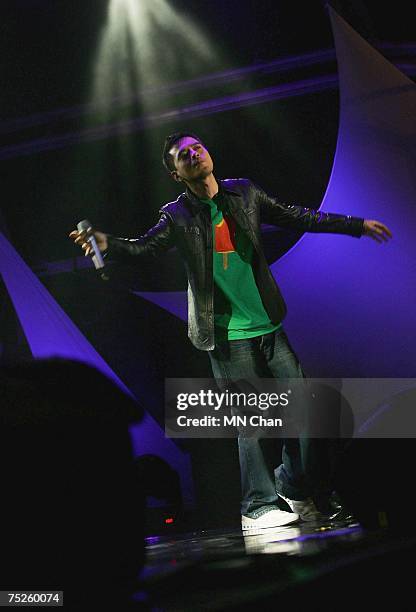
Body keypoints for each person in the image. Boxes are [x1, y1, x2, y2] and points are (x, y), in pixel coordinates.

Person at [70, 132, 392, 531]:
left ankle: (294, 486)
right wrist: (110, 244)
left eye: (197, 147)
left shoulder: (245, 194)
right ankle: (257, 507)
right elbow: (144, 247)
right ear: (176, 173)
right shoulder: (178, 215)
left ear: (209, 153)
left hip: (269, 326)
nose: (194, 154)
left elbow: (298, 215)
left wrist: (355, 225)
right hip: (225, 335)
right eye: (183, 156)